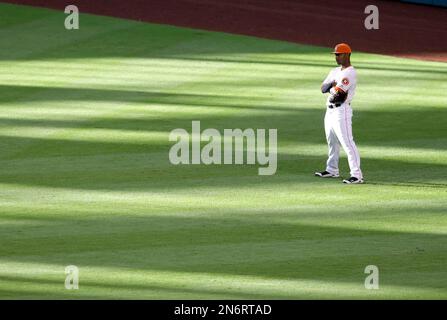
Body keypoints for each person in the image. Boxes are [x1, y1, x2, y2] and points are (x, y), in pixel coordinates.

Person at [315, 43, 364, 184]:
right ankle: (332, 170)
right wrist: (333, 86)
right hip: (329, 111)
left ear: (347, 55)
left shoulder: (350, 73)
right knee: (332, 142)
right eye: (335, 55)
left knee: (347, 143)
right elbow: (323, 88)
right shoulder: (335, 71)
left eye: (339, 54)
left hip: (342, 111)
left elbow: (339, 96)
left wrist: (333, 87)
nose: (336, 57)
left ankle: (357, 175)